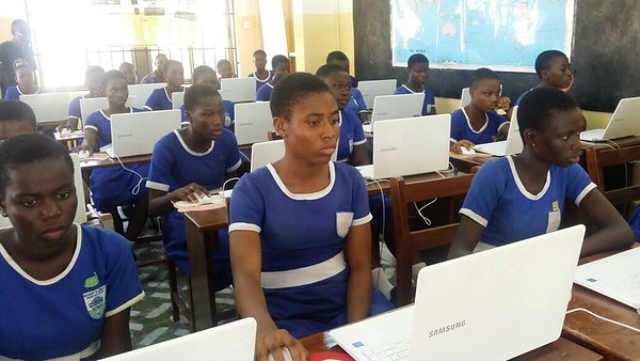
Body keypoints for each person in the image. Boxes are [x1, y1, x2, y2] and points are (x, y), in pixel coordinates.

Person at [229, 73, 393, 360]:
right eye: (314, 122)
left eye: (334, 119)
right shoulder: (253, 189)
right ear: (281, 126)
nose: (330, 131)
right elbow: (246, 277)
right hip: (283, 315)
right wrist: (267, 331)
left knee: (398, 346)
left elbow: (360, 265)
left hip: (347, 303)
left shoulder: (350, 180)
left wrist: (354, 335)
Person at [0, 133, 143, 360]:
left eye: (63, 194)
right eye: (30, 202)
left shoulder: (109, 250)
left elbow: (117, 347)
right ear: (3, 205)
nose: (52, 212)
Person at [448, 87, 634, 259]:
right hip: (495, 272)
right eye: (565, 137)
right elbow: (459, 251)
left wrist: (560, 256)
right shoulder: (495, 175)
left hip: (540, 271)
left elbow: (621, 231)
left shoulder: (567, 171)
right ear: (532, 137)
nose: (577, 144)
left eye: (578, 134)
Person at [147, 84, 241, 289]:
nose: (217, 121)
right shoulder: (166, 147)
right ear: (189, 116)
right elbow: (152, 207)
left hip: (219, 213)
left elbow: (231, 185)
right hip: (183, 221)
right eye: (207, 114)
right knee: (220, 251)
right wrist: (177, 194)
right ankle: (210, 299)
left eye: (220, 112)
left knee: (250, 239)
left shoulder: (226, 139)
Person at [81, 70, 149, 242]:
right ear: (104, 91)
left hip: (139, 166)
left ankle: (129, 241)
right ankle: (117, 237)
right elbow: (88, 139)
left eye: (124, 89)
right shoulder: (95, 118)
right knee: (104, 191)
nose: (121, 93)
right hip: (109, 168)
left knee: (150, 188)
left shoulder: (142, 113)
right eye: (114, 89)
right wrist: (86, 146)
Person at [316, 64, 367, 165]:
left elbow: (362, 163)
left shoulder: (351, 117)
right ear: (319, 89)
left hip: (344, 176)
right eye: (337, 86)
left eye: (348, 87)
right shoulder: (308, 121)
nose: (345, 92)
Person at [450, 68, 510, 154]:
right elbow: (448, 147)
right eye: (488, 94)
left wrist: (507, 110)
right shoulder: (455, 119)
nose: (495, 99)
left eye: (498, 93)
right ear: (471, 92)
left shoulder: (494, 116)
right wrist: (455, 147)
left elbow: (513, 134)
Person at [179, 65, 234, 129]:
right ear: (194, 85)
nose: (209, 86)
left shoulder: (229, 106)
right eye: (204, 82)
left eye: (213, 82)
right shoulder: (185, 109)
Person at [326, 50, 368, 123]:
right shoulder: (323, 96)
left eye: (346, 71)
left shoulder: (355, 92)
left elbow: (364, 118)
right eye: (339, 71)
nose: (343, 75)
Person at [61, 66, 105, 130]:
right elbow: (72, 128)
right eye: (94, 81)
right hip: (86, 137)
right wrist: (66, 126)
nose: (99, 84)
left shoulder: (113, 99)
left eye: (102, 81)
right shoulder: (77, 102)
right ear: (86, 83)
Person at [0, 19, 35, 94]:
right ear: (14, 33)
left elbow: (32, 70)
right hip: (10, 93)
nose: (25, 39)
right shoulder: (3, 48)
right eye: (21, 35)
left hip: (28, 93)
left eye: (27, 36)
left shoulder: (28, 50)